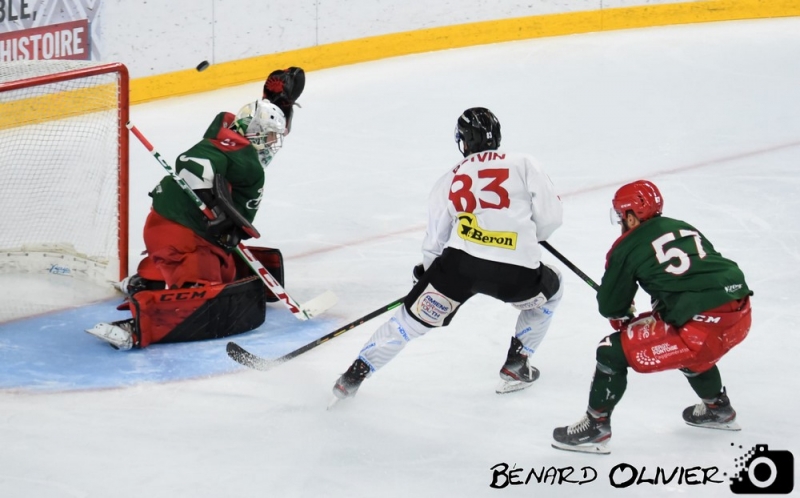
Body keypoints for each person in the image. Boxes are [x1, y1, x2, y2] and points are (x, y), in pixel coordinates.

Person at [331, 107, 564, 400]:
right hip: (515, 273)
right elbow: (551, 218)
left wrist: (428, 275)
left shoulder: (449, 178)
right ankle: (517, 363)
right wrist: (528, 238)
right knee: (553, 287)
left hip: (458, 269)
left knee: (406, 324)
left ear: (463, 142)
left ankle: (352, 378)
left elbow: (434, 242)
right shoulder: (525, 163)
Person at [551, 180, 752, 454]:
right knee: (688, 344)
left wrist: (620, 312)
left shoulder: (626, 247)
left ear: (632, 216)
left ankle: (596, 428)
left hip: (700, 328)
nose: (621, 223)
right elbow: (700, 273)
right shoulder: (682, 226)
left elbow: (611, 306)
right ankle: (718, 409)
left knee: (610, 352)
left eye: (621, 216)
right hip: (740, 315)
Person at [85, 98, 289, 350]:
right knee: (207, 291)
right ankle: (136, 328)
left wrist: (226, 219)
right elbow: (190, 163)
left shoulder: (223, 139)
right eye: (268, 136)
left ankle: (148, 280)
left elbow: (195, 163)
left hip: (164, 226)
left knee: (226, 272)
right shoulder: (243, 160)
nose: (272, 144)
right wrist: (212, 204)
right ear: (254, 131)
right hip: (180, 234)